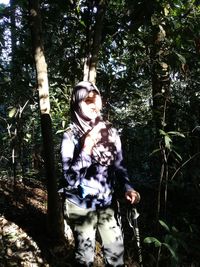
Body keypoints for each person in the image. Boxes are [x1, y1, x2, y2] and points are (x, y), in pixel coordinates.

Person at [60, 81, 140, 267]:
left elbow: (119, 165)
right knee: (85, 256)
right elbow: (69, 179)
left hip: (106, 202)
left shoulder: (110, 132)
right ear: (77, 103)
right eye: (87, 100)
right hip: (79, 204)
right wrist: (87, 146)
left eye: (96, 100)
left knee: (116, 251)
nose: (93, 105)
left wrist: (128, 187)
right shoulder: (70, 136)